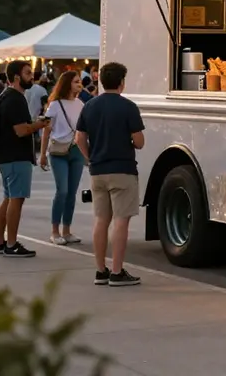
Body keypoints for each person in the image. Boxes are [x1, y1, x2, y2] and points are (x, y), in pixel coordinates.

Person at [75, 62, 144, 287]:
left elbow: (79, 139)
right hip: (123, 170)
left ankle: (100, 270)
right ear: (122, 82)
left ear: (101, 81)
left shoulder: (89, 106)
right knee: (121, 222)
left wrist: (89, 157)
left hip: (98, 170)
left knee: (101, 220)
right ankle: (117, 271)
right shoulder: (129, 107)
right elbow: (139, 142)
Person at [0, 60, 50, 257]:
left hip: (6, 155)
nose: (31, 76)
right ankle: (11, 244)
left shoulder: (5, 96)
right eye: (27, 73)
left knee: (9, 198)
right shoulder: (15, 99)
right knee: (16, 199)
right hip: (16, 156)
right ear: (17, 77)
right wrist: (40, 124)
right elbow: (21, 130)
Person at [39, 70, 86, 246]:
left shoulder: (81, 104)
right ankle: (54, 231)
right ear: (67, 84)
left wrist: (87, 153)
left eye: (80, 81)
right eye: (76, 81)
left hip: (76, 152)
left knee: (72, 193)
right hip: (58, 152)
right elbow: (46, 130)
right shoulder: (55, 105)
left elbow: (83, 131)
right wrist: (42, 154)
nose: (79, 84)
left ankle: (66, 230)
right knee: (63, 191)